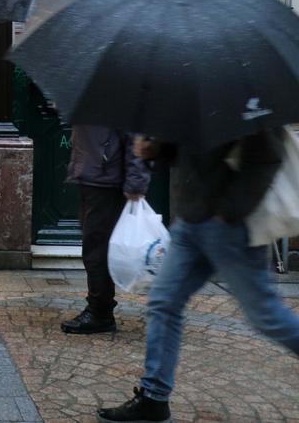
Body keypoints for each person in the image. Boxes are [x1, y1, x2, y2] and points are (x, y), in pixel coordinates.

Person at [97, 129, 299, 423]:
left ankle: (154, 398)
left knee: (265, 315)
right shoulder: (197, 93)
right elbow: (193, 150)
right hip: (192, 222)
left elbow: (267, 158)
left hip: (230, 229)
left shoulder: (246, 97)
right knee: (164, 302)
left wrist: (228, 213)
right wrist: (158, 149)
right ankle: (154, 400)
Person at [61, 125, 151, 335]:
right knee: (94, 248)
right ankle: (100, 307)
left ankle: (100, 312)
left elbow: (137, 138)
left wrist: (136, 183)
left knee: (97, 251)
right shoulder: (88, 98)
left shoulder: (118, 96)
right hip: (90, 175)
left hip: (106, 180)